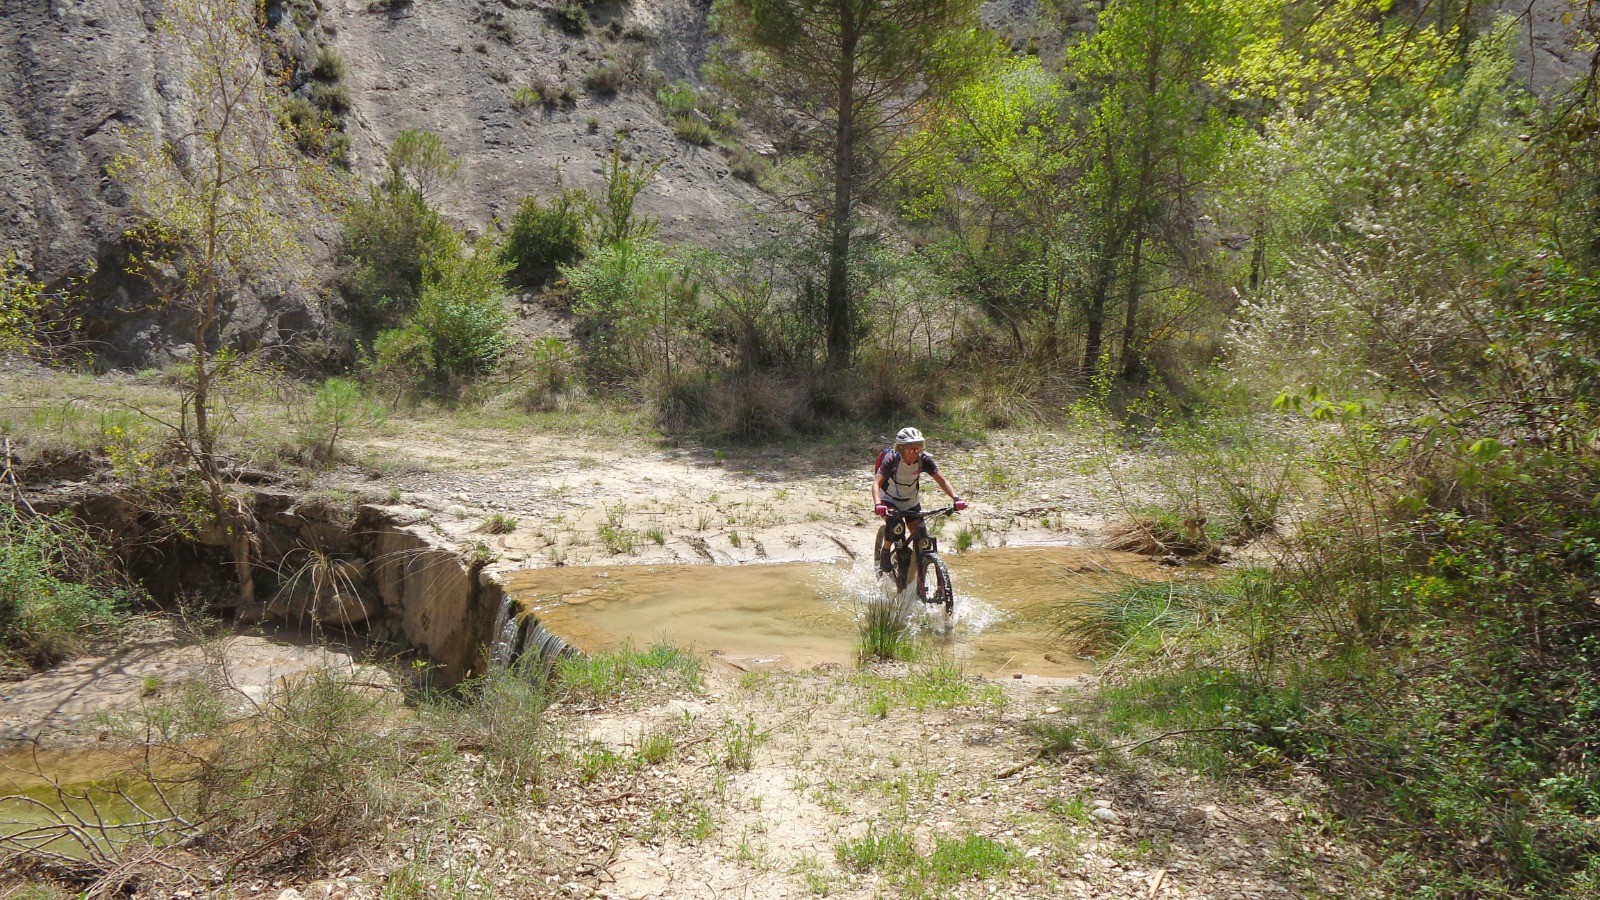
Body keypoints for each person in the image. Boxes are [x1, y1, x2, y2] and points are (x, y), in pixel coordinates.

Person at [871, 426, 966, 579]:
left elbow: (942, 480)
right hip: (888, 499)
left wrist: (956, 498)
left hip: (911, 501)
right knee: (896, 526)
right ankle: (885, 551)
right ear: (901, 448)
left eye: (918, 449)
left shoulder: (923, 459)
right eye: (911, 449)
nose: (915, 453)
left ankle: (917, 580)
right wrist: (878, 504)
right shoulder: (891, 459)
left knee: (922, 541)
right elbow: (876, 484)